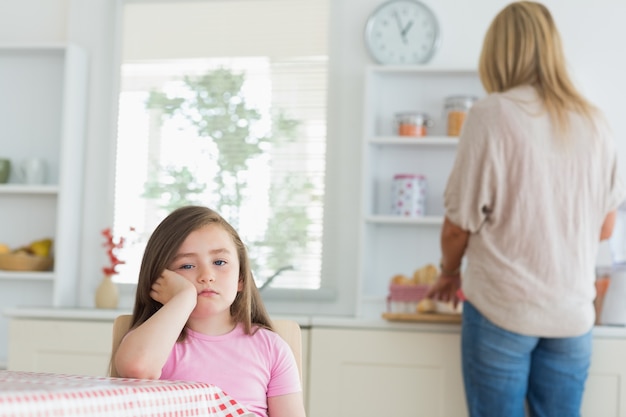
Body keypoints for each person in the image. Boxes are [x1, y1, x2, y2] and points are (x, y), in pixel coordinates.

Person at [425, 2, 626, 417]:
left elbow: (457, 228)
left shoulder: (491, 114)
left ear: (497, 54)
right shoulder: (595, 122)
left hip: (502, 308)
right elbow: (605, 228)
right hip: (572, 316)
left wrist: (447, 274)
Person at [114, 205, 306, 417]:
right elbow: (136, 369)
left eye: (219, 262)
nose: (206, 275)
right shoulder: (155, 344)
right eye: (186, 266)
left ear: (240, 278)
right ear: (161, 281)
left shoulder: (271, 348)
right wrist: (184, 298)